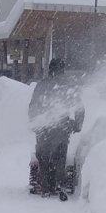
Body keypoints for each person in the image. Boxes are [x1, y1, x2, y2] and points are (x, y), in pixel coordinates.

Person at [28, 58, 85, 196]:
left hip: (44, 127)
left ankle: (46, 187)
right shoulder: (69, 85)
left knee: (43, 156)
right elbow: (79, 108)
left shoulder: (42, 85)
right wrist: (77, 125)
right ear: (62, 70)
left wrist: (34, 123)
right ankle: (60, 185)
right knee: (60, 156)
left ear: (50, 69)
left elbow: (33, 106)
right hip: (62, 127)